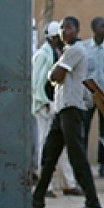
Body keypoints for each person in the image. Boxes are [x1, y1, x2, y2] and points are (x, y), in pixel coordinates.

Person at [32, 16, 103, 208]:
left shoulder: (75, 50)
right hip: (62, 108)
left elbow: (55, 75)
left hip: (72, 108)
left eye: (69, 28)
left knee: (77, 155)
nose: (64, 32)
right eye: (62, 28)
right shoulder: (67, 51)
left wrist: (53, 72)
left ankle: (93, 202)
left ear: (77, 30)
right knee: (49, 155)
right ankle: (37, 200)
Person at [31, 21, 81, 197]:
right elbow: (37, 82)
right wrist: (44, 102)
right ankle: (47, 185)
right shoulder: (43, 55)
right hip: (44, 106)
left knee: (60, 147)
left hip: (56, 107)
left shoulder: (58, 52)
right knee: (45, 145)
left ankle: (67, 183)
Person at [81, 16, 104, 179]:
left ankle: (103, 164)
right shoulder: (85, 48)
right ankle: (82, 163)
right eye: (102, 26)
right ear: (94, 28)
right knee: (84, 129)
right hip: (88, 96)